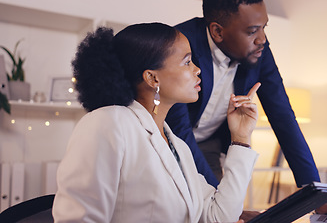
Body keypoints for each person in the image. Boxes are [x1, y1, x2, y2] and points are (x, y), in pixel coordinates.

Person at [165, 0, 327, 220]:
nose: (262, 40)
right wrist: (221, 206)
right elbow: (178, 129)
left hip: (210, 143)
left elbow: (283, 115)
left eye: (264, 28)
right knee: (195, 211)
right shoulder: (179, 45)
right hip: (169, 138)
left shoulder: (260, 50)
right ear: (217, 31)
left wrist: (315, 193)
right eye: (252, 31)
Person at [52, 23, 261, 222]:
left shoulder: (178, 147)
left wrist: (240, 137)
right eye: (187, 62)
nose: (197, 70)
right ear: (152, 78)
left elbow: (219, 217)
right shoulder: (108, 122)